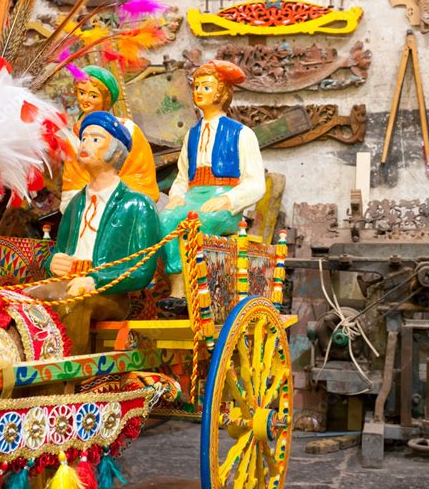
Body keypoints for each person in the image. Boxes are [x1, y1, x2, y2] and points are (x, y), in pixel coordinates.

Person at [28, 111, 161, 353]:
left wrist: (96, 280)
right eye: (84, 138)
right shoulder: (75, 205)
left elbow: (142, 270)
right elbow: (60, 251)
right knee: (24, 300)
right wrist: (53, 263)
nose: (85, 144)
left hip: (110, 294)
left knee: (69, 305)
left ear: (117, 152)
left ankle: (67, 381)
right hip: (68, 283)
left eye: (96, 139)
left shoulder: (138, 205)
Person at [159, 60, 266, 312]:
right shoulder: (191, 135)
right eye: (196, 86)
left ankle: (197, 289)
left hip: (223, 198)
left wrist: (229, 200)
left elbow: (255, 182)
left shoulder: (242, 133)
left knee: (198, 224)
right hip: (193, 196)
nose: (198, 91)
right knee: (166, 221)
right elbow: (182, 176)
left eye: (206, 87)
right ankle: (178, 289)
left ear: (222, 92)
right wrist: (176, 196)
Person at [60, 65, 159, 212]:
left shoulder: (128, 130)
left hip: (123, 205)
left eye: (93, 95)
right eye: (81, 93)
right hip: (89, 206)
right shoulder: (74, 140)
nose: (85, 99)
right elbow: (73, 183)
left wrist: (111, 195)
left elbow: (141, 176)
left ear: (105, 99)